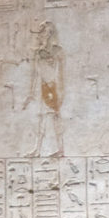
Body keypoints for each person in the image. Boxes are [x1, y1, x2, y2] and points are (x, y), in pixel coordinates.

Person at [22, 21, 66, 157]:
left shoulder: (58, 51)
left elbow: (61, 74)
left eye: (43, 32)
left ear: (49, 34)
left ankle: (61, 149)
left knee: (55, 117)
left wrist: (61, 91)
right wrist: (30, 94)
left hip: (53, 87)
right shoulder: (38, 53)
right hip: (43, 88)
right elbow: (34, 74)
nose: (40, 36)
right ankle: (38, 150)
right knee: (42, 118)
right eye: (40, 33)